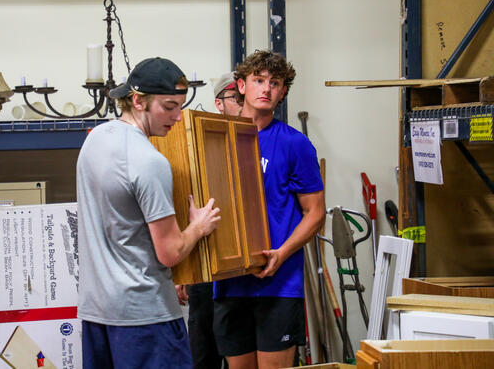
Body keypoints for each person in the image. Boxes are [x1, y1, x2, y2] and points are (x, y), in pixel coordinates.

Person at [76, 57, 221, 369]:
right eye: (169, 107)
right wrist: (198, 226)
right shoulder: (149, 161)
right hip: (145, 315)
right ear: (138, 100)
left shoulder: (94, 141)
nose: (178, 118)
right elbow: (169, 252)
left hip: (96, 312)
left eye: (180, 107)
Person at [212, 50, 326, 369]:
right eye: (258, 80)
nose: (266, 89)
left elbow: (315, 212)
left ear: (283, 92)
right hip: (230, 281)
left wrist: (282, 252)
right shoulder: (217, 139)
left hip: (279, 282)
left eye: (274, 83)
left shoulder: (294, 144)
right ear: (241, 86)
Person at [176, 71, 243, 369]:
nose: (243, 103)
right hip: (205, 264)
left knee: (242, 351)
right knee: (203, 352)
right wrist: (184, 269)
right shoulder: (198, 141)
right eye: (236, 98)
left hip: (244, 265)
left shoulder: (256, 140)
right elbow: (184, 200)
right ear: (219, 102)